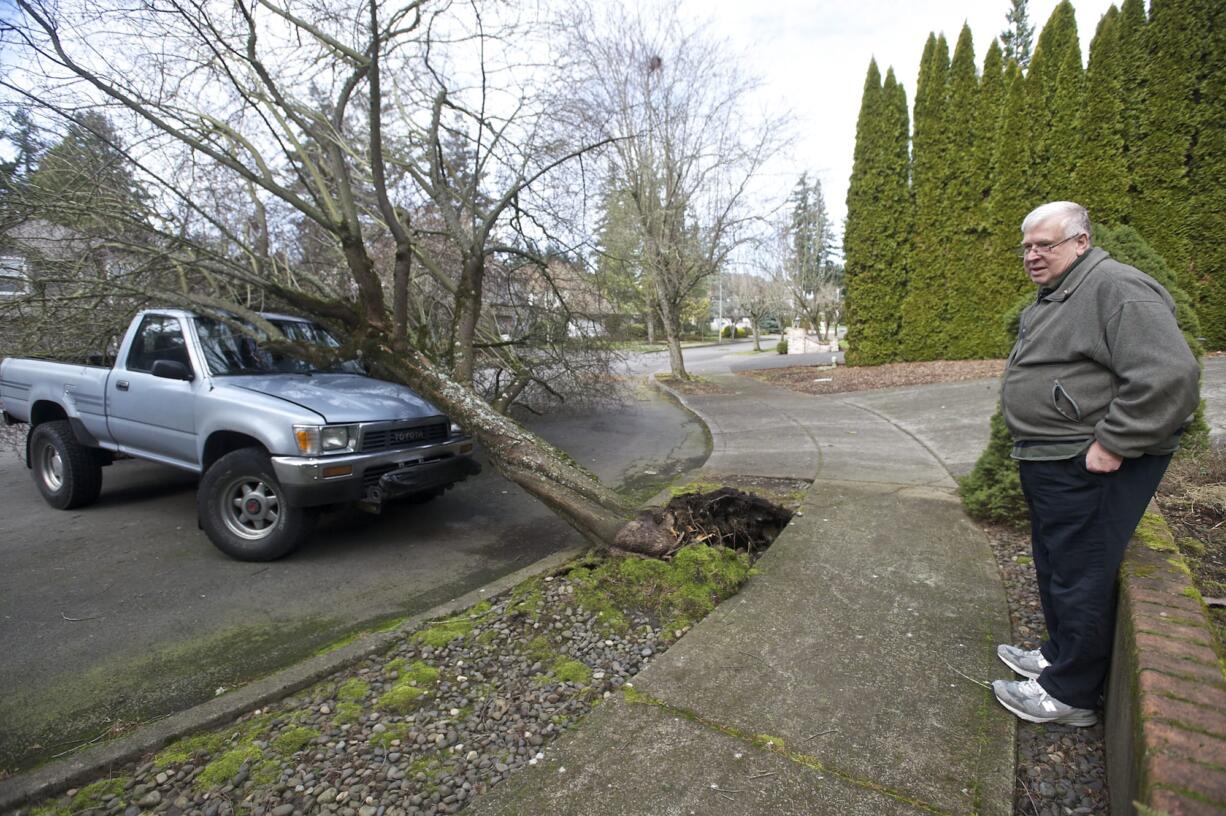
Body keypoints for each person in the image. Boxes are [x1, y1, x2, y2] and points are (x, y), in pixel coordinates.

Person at [992, 201, 1200, 726]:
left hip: (1088, 461)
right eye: (1028, 247)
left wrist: (1114, 442)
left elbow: (1170, 375)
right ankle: (1060, 654)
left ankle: (1071, 695)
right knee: (1057, 562)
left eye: (1046, 244)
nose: (1033, 256)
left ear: (1081, 241)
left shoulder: (1116, 287)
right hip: (1052, 456)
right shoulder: (1062, 292)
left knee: (1080, 572)